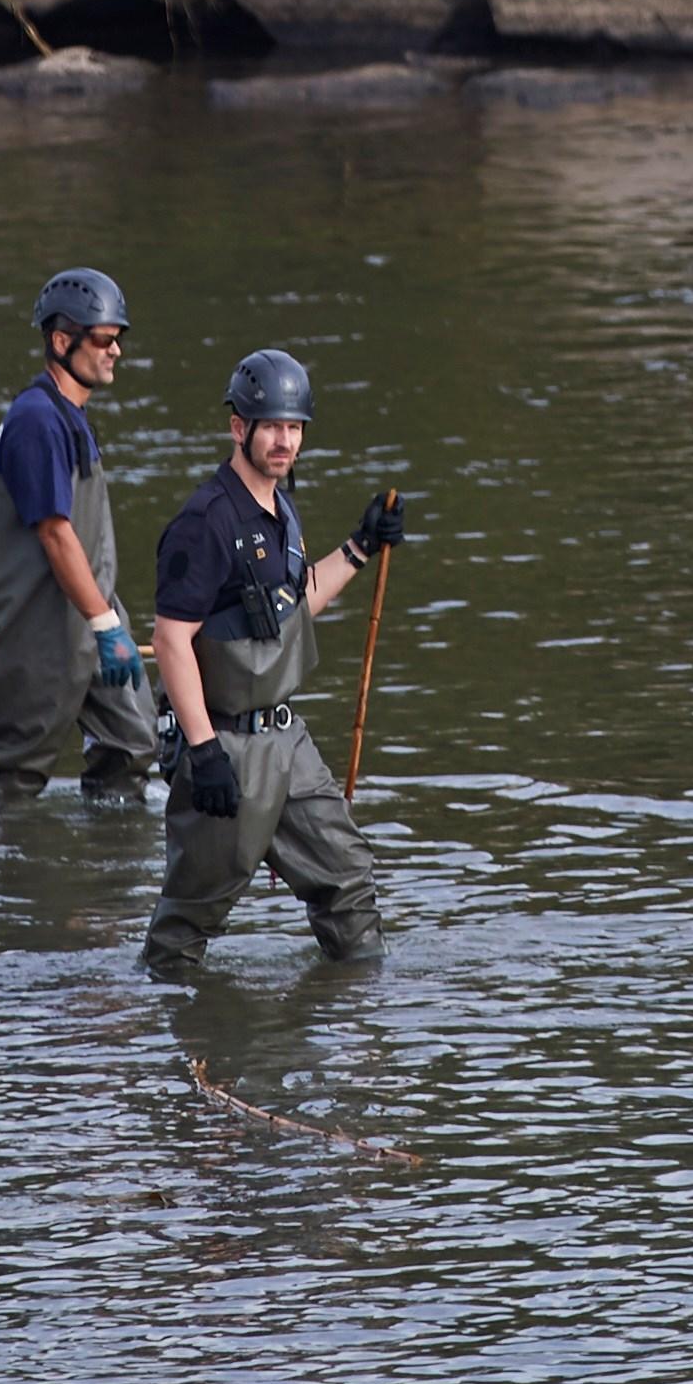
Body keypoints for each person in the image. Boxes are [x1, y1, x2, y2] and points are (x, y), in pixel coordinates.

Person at [141, 349, 408, 981]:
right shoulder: (204, 522)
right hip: (226, 744)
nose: (284, 440)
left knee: (347, 879)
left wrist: (359, 547)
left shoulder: (281, 506)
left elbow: (292, 607)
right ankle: (174, 1040)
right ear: (240, 428)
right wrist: (203, 752)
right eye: (271, 426)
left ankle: (358, 1017)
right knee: (188, 926)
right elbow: (172, 640)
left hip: (289, 740)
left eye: (294, 427)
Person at [0, 265, 165, 811]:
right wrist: (105, 626)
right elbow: (55, 533)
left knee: (133, 741)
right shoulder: (36, 420)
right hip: (46, 629)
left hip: (94, 617)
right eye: (104, 339)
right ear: (61, 341)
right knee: (18, 775)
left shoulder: (71, 416)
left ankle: (103, 871)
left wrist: (106, 621)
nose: (115, 352)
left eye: (118, 340)